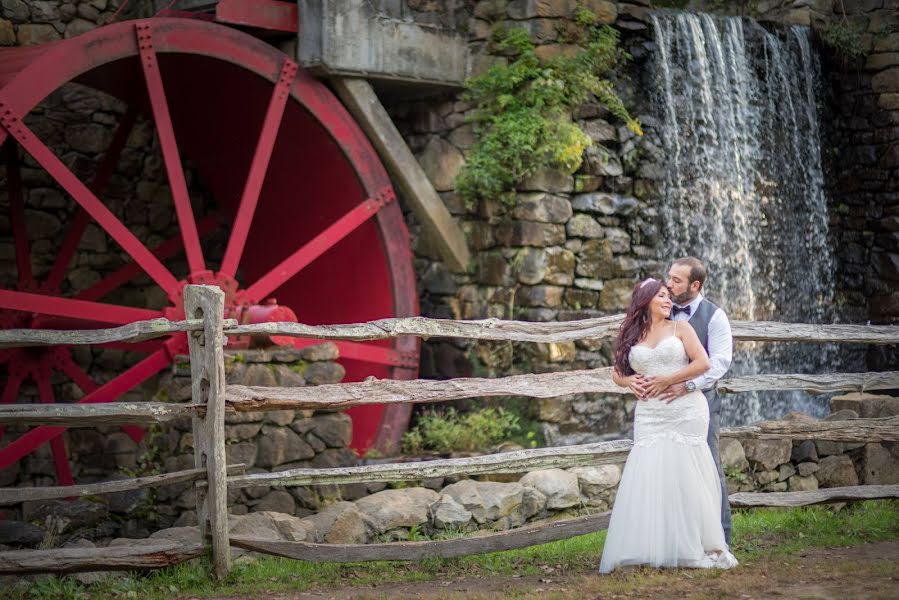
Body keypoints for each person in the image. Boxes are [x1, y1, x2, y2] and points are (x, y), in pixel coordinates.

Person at [598, 277, 737, 573]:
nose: (667, 301)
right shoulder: (633, 333)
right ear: (645, 300)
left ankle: (696, 544)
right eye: (661, 296)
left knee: (686, 473)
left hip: (684, 408)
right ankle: (652, 544)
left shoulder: (681, 328)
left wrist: (668, 380)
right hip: (649, 412)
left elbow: (703, 363)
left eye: (668, 296)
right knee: (651, 472)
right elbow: (615, 372)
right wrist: (627, 381)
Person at [661, 257, 734, 545]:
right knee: (667, 467)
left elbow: (719, 363)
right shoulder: (661, 310)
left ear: (696, 285)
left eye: (676, 280)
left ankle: (720, 539)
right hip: (664, 404)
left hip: (701, 403)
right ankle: (674, 538)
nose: (669, 284)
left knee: (708, 467)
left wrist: (687, 385)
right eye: (669, 277)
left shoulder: (715, 317)